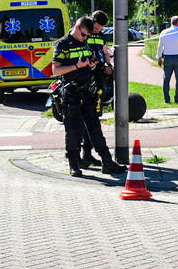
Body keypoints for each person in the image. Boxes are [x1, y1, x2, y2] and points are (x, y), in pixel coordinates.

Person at [52, 16, 126, 178]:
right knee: (73, 131)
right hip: (71, 94)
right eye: (84, 35)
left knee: (95, 128)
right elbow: (55, 70)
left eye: (88, 36)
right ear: (77, 27)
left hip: (87, 92)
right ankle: (74, 165)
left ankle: (107, 162)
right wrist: (76, 66)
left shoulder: (84, 43)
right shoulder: (63, 44)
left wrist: (92, 65)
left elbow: (90, 62)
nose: (86, 38)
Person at [80, 10, 113, 168]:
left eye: (101, 29)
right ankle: (85, 156)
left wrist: (108, 65)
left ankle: (87, 155)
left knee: (93, 117)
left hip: (98, 78)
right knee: (89, 118)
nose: (98, 31)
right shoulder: (82, 34)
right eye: (97, 28)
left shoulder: (101, 36)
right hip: (85, 79)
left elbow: (105, 51)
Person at [156, 16, 178, 103]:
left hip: (168, 57)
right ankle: (177, 99)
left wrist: (159, 57)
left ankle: (167, 99)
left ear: (171, 22)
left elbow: (160, 47)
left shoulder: (164, 32)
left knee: (166, 79)